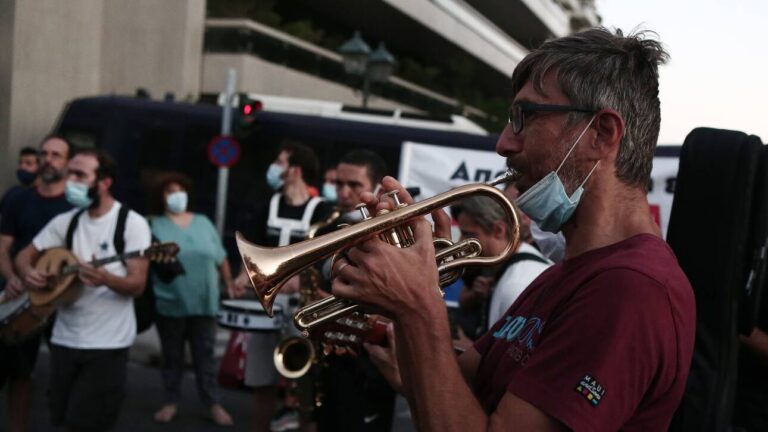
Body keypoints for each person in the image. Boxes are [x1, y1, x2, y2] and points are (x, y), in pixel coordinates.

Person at [332, 28, 696, 430]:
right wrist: (398, 307)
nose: (504, 143)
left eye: (525, 117)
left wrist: (417, 307)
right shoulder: (564, 275)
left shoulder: (631, 288)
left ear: (601, 134)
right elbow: (470, 381)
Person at [16, 149, 151, 431]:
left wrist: (106, 279)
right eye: (70, 174)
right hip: (64, 339)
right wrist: (31, 274)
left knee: (88, 424)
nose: (71, 181)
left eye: (80, 175)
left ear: (104, 182)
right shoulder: (66, 222)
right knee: (60, 419)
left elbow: (137, 285)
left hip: (107, 346)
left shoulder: (131, 223)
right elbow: (23, 256)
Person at [235, 141, 332, 432]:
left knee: (305, 385)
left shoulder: (322, 211)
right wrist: (243, 277)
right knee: (261, 381)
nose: (274, 167)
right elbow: (251, 251)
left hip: (304, 309)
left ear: (295, 170)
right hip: (268, 307)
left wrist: (300, 280)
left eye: (280, 162)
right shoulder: (269, 204)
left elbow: (327, 261)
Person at [313, 150, 395, 432]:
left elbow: (388, 301)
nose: (343, 192)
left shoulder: (389, 234)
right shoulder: (330, 224)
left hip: (369, 361)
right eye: (339, 184)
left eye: (354, 185)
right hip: (334, 350)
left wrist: (330, 305)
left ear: (376, 189)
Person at [148, 172, 235, 426]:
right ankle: (170, 401)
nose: (176, 195)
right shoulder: (153, 224)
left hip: (204, 301)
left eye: (180, 190)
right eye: (169, 191)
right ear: (160, 197)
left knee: (205, 357)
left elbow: (220, 256)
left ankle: (212, 404)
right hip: (170, 301)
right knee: (172, 356)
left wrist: (228, 282)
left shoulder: (203, 222)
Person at [0, 136, 72, 432]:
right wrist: (12, 277)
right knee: (18, 370)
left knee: (67, 373)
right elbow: (3, 246)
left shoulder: (75, 206)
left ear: (67, 162)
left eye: (56, 155)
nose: (48, 159)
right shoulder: (18, 198)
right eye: (44, 153)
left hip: (62, 300)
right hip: (20, 295)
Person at [454, 196, 550, 339]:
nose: (461, 241)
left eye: (469, 234)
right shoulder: (504, 270)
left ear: (499, 230)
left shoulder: (516, 286)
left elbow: (513, 357)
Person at [0, 146, 39, 215]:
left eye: (28, 163)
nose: (22, 167)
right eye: (20, 163)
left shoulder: (44, 195)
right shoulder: (12, 194)